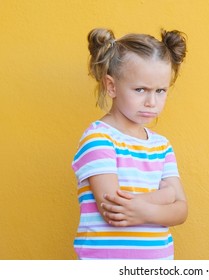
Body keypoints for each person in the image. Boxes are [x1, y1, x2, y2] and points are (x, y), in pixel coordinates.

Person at [71, 27, 188, 260]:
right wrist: (163, 198)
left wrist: (146, 208)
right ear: (111, 86)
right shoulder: (99, 139)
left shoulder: (161, 146)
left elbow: (181, 210)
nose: (151, 102)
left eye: (161, 90)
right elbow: (113, 209)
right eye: (140, 89)